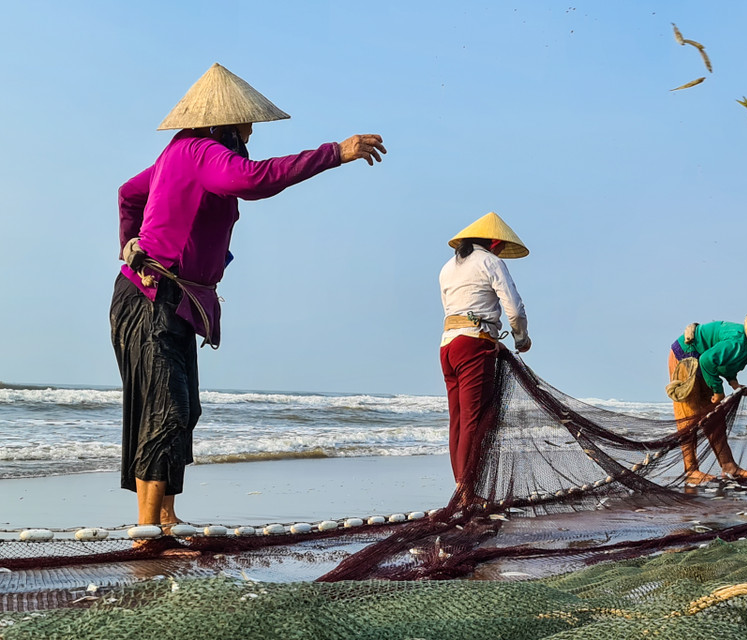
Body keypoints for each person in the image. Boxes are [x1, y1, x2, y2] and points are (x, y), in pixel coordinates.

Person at [109, 63, 386, 539]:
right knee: (166, 410)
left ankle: (166, 519)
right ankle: (148, 532)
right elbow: (256, 180)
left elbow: (128, 196)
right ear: (226, 124)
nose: (252, 134)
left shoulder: (177, 154)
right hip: (150, 297)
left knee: (183, 410)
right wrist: (334, 153)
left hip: (174, 299)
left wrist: (128, 240)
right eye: (247, 125)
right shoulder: (200, 151)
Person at [439, 212, 531, 507]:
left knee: (457, 420)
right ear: (493, 241)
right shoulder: (490, 261)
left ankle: (461, 487)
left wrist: (492, 338)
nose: (500, 250)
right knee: (474, 419)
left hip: (447, 347)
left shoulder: (447, 268)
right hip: (473, 346)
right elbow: (514, 308)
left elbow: (457, 311)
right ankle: (467, 491)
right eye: (499, 245)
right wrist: (521, 339)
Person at [665, 314, 747, 484]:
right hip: (685, 356)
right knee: (689, 416)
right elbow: (707, 360)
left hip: (702, 363)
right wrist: (718, 391)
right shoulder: (738, 342)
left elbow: (724, 364)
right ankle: (691, 470)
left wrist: (735, 384)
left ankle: (728, 466)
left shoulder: (746, 348)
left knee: (715, 416)